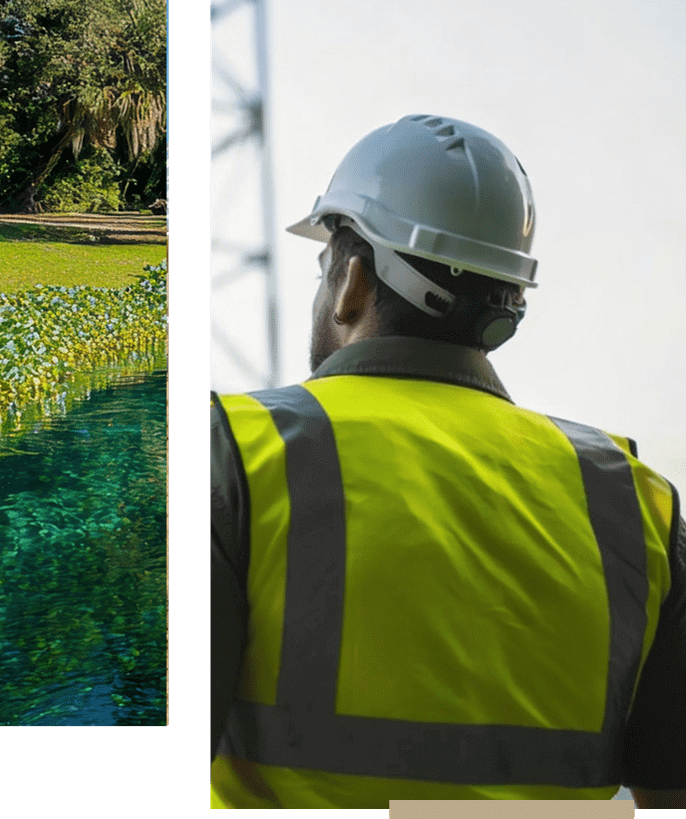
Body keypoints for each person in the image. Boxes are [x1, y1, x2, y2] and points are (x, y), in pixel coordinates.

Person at [210, 114, 686, 809]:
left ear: (352, 282)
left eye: (326, 264)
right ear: (506, 308)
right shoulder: (636, 501)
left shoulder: (240, 453)